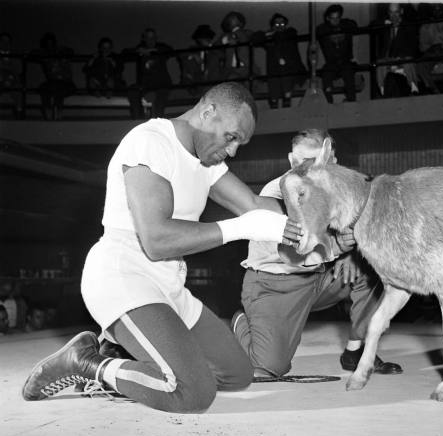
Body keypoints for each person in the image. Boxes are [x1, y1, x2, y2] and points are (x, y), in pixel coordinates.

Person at [22, 82, 303, 413]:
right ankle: (84, 363)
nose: (233, 150)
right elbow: (156, 240)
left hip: (169, 285)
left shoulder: (207, 160)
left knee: (237, 374)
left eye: (240, 143)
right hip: (125, 278)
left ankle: (124, 355)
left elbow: (255, 205)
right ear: (208, 111)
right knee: (193, 393)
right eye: (231, 136)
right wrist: (240, 229)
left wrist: (304, 205)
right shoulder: (150, 142)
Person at [231, 129, 403, 378]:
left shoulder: (338, 190)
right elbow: (293, 254)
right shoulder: (277, 193)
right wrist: (340, 249)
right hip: (276, 284)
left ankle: (356, 351)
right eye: (305, 163)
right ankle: (242, 321)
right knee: (269, 368)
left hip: (320, 279)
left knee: (372, 267)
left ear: (332, 161)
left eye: (321, 162)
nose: (312, 170)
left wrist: (352, 255)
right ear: (292, 161)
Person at [252, 13, 307, 109]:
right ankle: (274, 105)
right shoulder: (270, 38)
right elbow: (255, 38)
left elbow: (289, 34)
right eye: (277, 24)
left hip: (290, 69)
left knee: (286, 81)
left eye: (282, 24)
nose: (280, 26)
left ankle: (287, 103)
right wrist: (268, 34)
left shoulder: (290, 33)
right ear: (273, 26)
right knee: (274, 87)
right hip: (274, 71)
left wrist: (275, 34)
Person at [124, 28, 173, 119]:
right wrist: (139, 51)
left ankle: (158, 123)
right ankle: (138, 121)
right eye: (148, 38)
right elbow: (125, 53)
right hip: (145, 86)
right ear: (144, 39)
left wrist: (152, 50)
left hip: (161, 85)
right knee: (133, 91)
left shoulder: (161, 48)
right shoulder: (140, 49)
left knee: (159, 100)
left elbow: (171, 50)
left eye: (153, 38)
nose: (151, 40)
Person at [373, 3, 419, 98]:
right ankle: (382, 90)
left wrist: (399, 58)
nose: (394, 16)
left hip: (403, 58)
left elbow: (412, 47)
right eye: (391, 13)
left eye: (396, 12)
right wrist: (384, 22)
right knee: (379, 63)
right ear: (388, 13)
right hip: (389, 60)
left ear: (401, 11)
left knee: (408, 60)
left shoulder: (408, 26)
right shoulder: (386, 26)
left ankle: (414, 88)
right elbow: (372, 25)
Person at [316, 4, 358, 103]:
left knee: (349, 76)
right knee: (326, 77)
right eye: (332, 18)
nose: (335, 21)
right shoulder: (323, 29)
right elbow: (318, 31)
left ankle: (351, 103)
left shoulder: (346, 26)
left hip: (346, 61)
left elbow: (354, 25)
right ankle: (329, 105)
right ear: (327, 18)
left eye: (337, 18)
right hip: (331, 63)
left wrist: (342, 26)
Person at [32, 32, 76, 121]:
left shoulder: (62, 51)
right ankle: (48, 116)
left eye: (52, 44)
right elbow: (32, 54)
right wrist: (45, 54)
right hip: (52, 83)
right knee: (44, 89)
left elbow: (71, 51)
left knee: (58, 89)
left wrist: (60, 54)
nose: (50, 47)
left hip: (67, 83)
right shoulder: (45, 56)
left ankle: (58, 115)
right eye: (48, 45)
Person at [178, 24, 222, 97]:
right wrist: (193, 55)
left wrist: (209, 48)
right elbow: (181, 55)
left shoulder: (215, 50)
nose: (204, 40)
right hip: (196, 80)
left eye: (206, 38)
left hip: (211, 80)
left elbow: (221, 55)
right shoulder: (193, 50)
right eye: (201, 39)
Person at [0, 32, 24, 119]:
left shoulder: (15, 55)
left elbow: (18, 70)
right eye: (2, 41)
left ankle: (19, 114)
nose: (5, 44)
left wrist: (10, 78)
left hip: (13, 81)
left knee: (18, 90)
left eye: (7, 41)